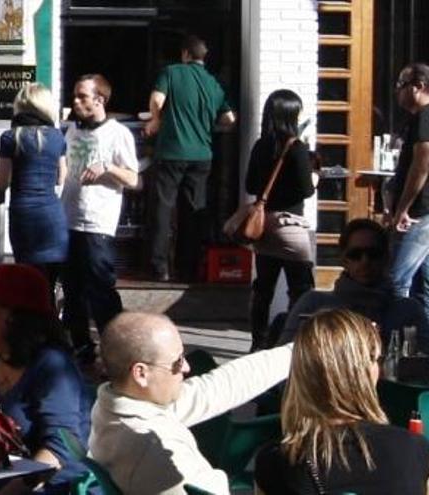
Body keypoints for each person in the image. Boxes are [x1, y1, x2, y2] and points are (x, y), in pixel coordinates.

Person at [90, 311, 292, 494]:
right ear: (141, 373)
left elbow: (215, 388)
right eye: (177, 361)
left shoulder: (114, 406)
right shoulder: (156, 450)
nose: (186, 367)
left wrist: (296, 353)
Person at [254, 309, 429, 494]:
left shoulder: (275, 464)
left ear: (301, 373)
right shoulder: (413, 449)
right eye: (376, 359)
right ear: (364, 371)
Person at [0, 263, 91, 494]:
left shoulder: (52, 365)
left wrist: (10, 491)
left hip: (49, 484)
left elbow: (60, 448)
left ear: (11, 314)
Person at [144, 35, 236, 282]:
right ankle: (189, 268)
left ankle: (159, 267)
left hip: (171, 152)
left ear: (185, 54)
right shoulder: (214, 84)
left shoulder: (171, 72)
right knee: (193, 212)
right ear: (203, 58)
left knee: (163, 209)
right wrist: (207, 125)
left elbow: (156, 100)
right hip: (202, 156)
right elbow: (229, 119)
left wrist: (156, 119)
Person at [62, 74, 139, 364]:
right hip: (68, 218)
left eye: (82, 96)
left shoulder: (118, 134)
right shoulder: (70, 130)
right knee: (72, 292)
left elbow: (134, 178)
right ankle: (82, 350)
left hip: (97, 222)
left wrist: (107, 166)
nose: (76, 101)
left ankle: (116, 353)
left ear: (99, 99)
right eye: (75, 96)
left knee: (101, 291)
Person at [278, 218, 429, 351]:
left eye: (373, 254)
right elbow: (285, 361)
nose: (365, 261)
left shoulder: (408, 311)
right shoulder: (313, 304)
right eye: (355, 254)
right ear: (344, 259)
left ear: (386, 258)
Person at [245, 89, 315, 351]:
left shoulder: (260, 146)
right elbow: (307, 189)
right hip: (291, 225)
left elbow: (251, 184)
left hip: (265, 227)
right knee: (301, 287)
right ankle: (296, 340)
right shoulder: (296, 148)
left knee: (263, 288)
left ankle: (257, 343)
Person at [0, 82, 68, 295]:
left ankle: (32, 327)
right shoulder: (57, 137)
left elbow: (2, 182)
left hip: (24, 217)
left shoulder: (10, 137)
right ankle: (53, 326)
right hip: (52, 216)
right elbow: (61, 178)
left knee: (29, 284)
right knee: (48, 287)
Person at [389, 62, 429, 323]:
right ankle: (422, 350)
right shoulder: (416, 119)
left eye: (402, 85)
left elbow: (423, 161)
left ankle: (393, 343)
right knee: (422, 287)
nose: (398, 92)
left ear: (419, 87)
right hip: (422, 213)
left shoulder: (425, 116)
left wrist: (403, 208)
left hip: (420, 214)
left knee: (397, 283)